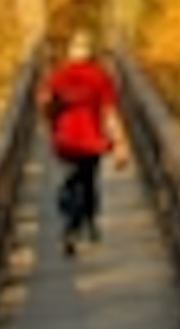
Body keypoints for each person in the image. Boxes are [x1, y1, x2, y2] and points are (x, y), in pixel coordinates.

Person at [40, 31, 122, 254]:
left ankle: (72, 222)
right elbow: (109, 112)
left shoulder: (57, 76)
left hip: (65, 141)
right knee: (88, 181)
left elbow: (45, 104)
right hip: (92, 142)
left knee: (72, 179)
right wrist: (119, 144)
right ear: (90, 53)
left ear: (70, 52)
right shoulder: (100, 77)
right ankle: (88, 222)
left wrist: (51, 123)